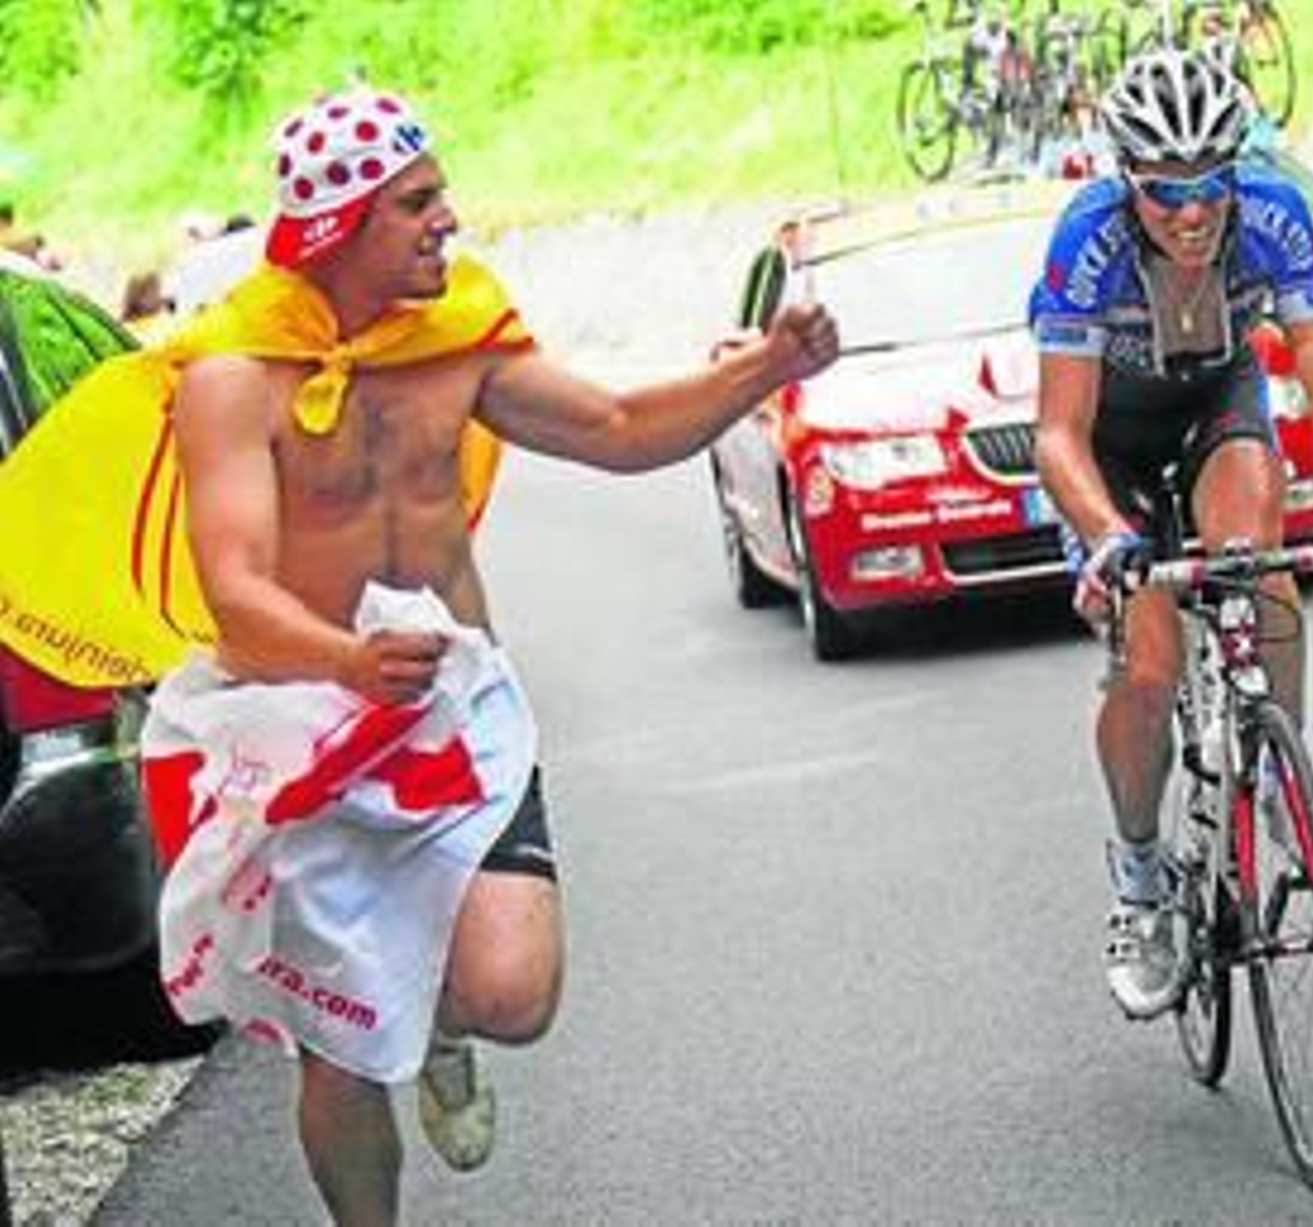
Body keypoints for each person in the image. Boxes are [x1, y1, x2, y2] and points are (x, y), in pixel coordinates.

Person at [150, 84, 837, 1226]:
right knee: (339, 1050)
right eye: (417, 203)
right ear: (340, 225)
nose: (449, 221)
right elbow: (235, 590)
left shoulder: (456, 335)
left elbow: (616, 428)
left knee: (513, 994)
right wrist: (345, 660)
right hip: (303, 730)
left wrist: (761, 370)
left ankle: (435, 1022)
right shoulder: (232, 376)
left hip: (450, 711)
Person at [1028, 49, 1313, 1020]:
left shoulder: (1275, 214)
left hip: (1217, 400)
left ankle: (1283, 781)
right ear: (1127, 179)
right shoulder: (1088, 237)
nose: (1193, 210)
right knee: (1150, 667)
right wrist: (1109, 539)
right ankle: (1139, 880)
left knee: (1259, 566)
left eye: (1211, 181)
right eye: (1166, 190)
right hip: (1109, 441)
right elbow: (1057, 434)